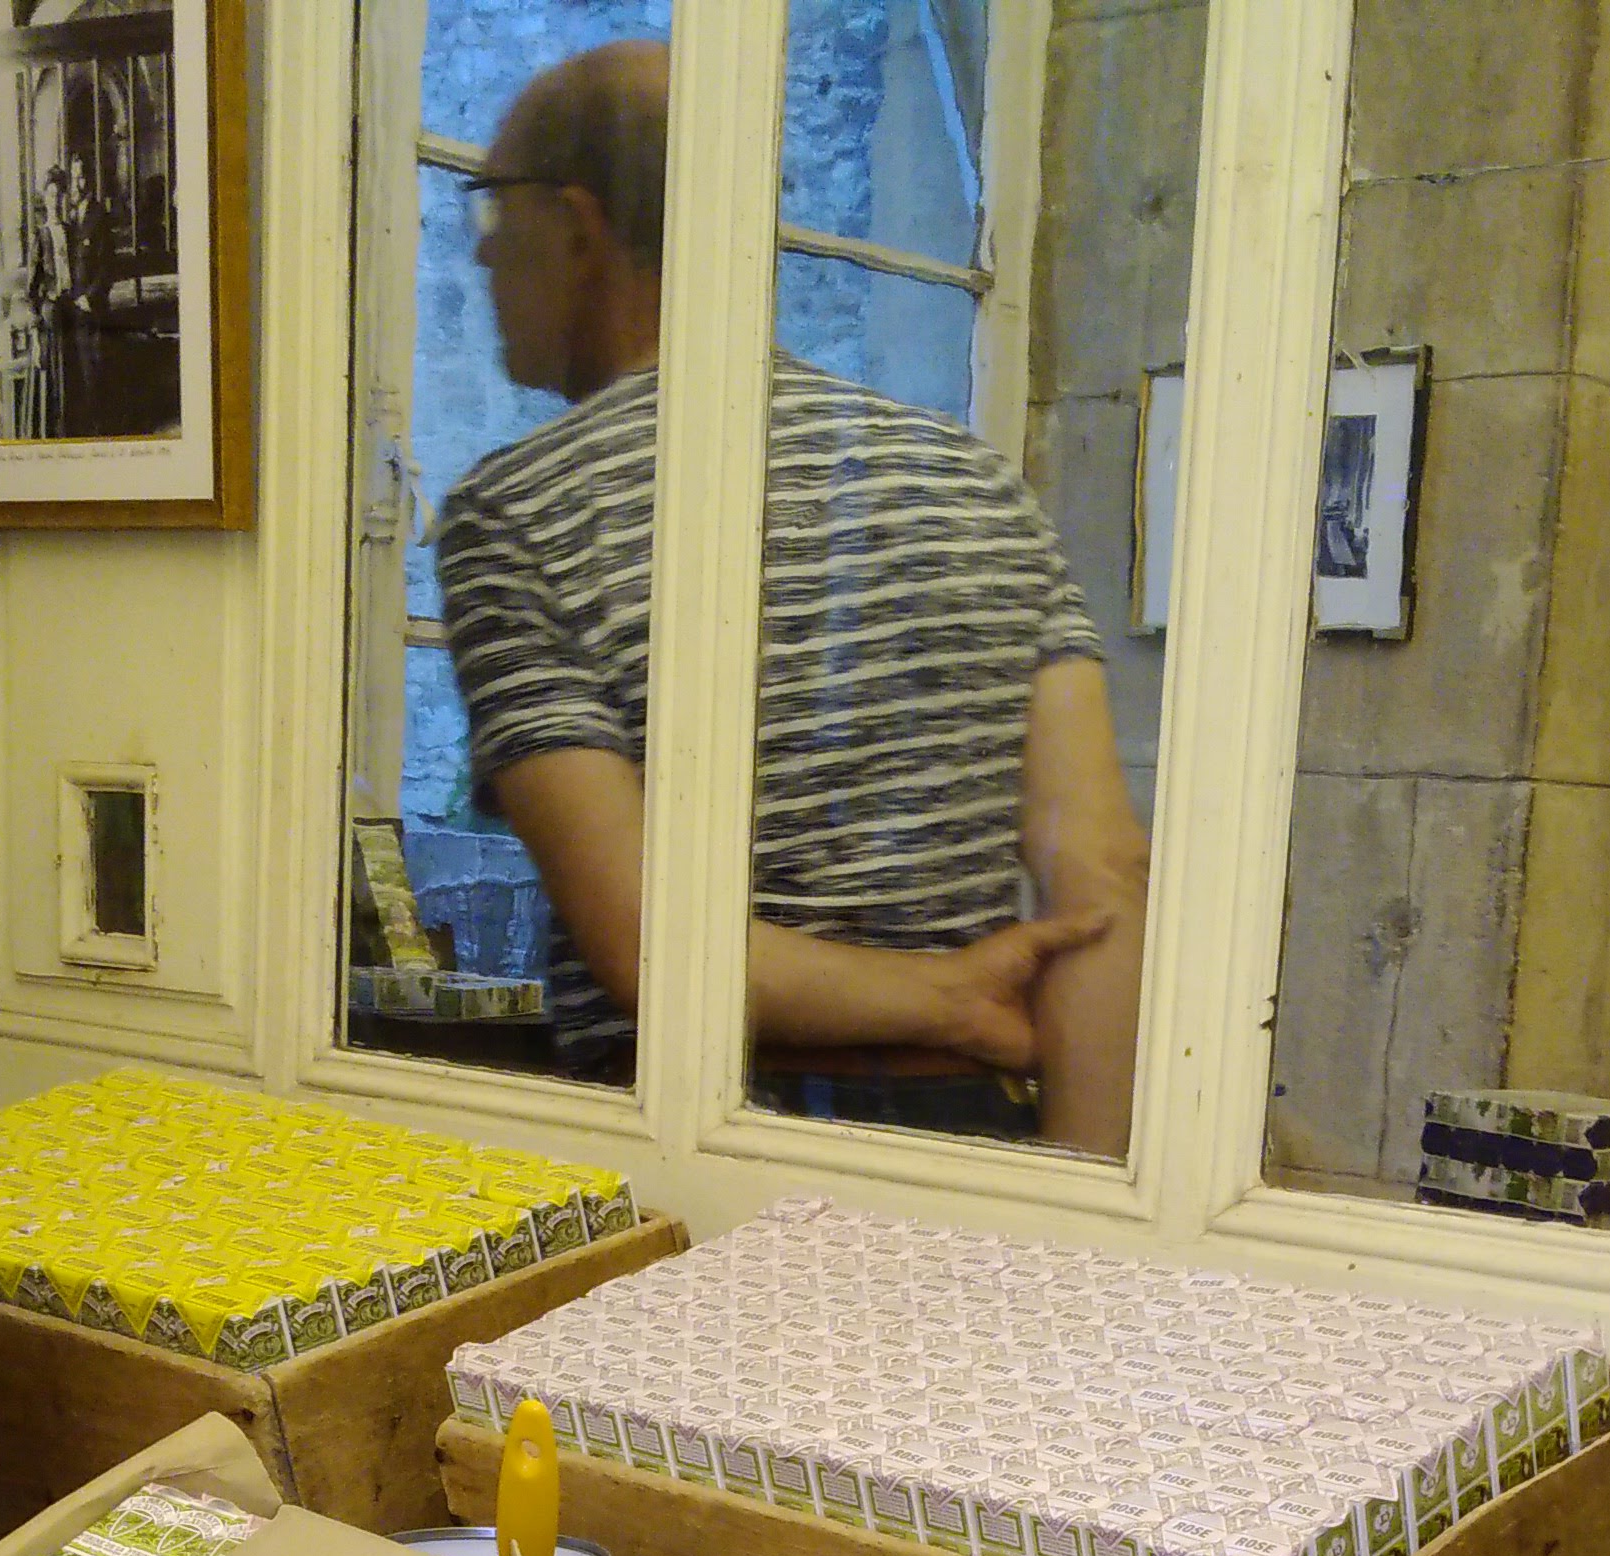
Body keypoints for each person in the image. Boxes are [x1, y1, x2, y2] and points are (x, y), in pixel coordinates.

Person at [433, 41, 1146, 1153]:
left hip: (704, 1137)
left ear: (575, 224)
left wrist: (954, 999)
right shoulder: (973, 482)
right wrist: (1079, 1201)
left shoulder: (515, 510)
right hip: (973, 1132)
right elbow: (1101, 877)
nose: (480, 250)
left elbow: (647, 945)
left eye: (494, 206)